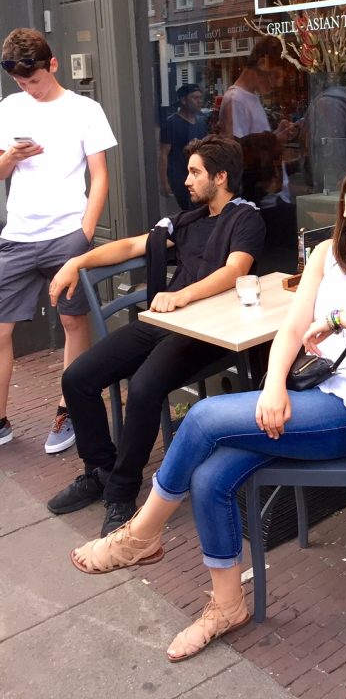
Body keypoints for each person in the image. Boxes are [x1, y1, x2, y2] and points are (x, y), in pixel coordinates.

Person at [68, 160, 346, 662]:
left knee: (200, 419)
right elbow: (290, 329)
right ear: (344, 205)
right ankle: (226, 606)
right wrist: (274, 387)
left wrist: (344, 317)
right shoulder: (326, 254)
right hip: (309, 399)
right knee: (211, 477)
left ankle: (141, 533)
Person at [46, 135, 265, 537]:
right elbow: (131, 245)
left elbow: (235, 270)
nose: (186, 180)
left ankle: (122, 492)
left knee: (145, 387)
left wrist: (180, 295)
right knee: (77, 378)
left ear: (220, 176)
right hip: (162, 322)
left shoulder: (245, 218)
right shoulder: (188, 220)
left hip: (206, 332)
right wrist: (77, 261)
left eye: (195, 172)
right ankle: (100, 471)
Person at [0, 28, 117, 453]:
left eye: (34, 81)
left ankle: (69, 410)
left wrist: (84, 234)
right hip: (17, 234)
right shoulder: (10, 108)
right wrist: (10, 157)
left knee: (72, 322)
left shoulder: (85, 109)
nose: (28, 90)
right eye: (20, 83)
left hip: (66, 232)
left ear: (53, 65)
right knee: (0, 329)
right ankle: (0, 419)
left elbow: (100, 176)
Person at [218, 38, 299, 257]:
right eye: (276, 76)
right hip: (261, 201)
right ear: (263, 62)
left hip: (270, 197)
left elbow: (251, 144)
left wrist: (274, 136)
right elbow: (238, 153)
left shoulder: (249, 98)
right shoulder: (236, 99)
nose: (277, 84)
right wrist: (276, 140)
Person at [159, 84, 208, 209]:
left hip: (201, 176)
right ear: (183, 100)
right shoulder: (171, 123)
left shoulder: (201, 122)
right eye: (195, 98)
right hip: (180, 178)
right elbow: (163, 153)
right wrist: (164, 182)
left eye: (200, 98)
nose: (199, 101)